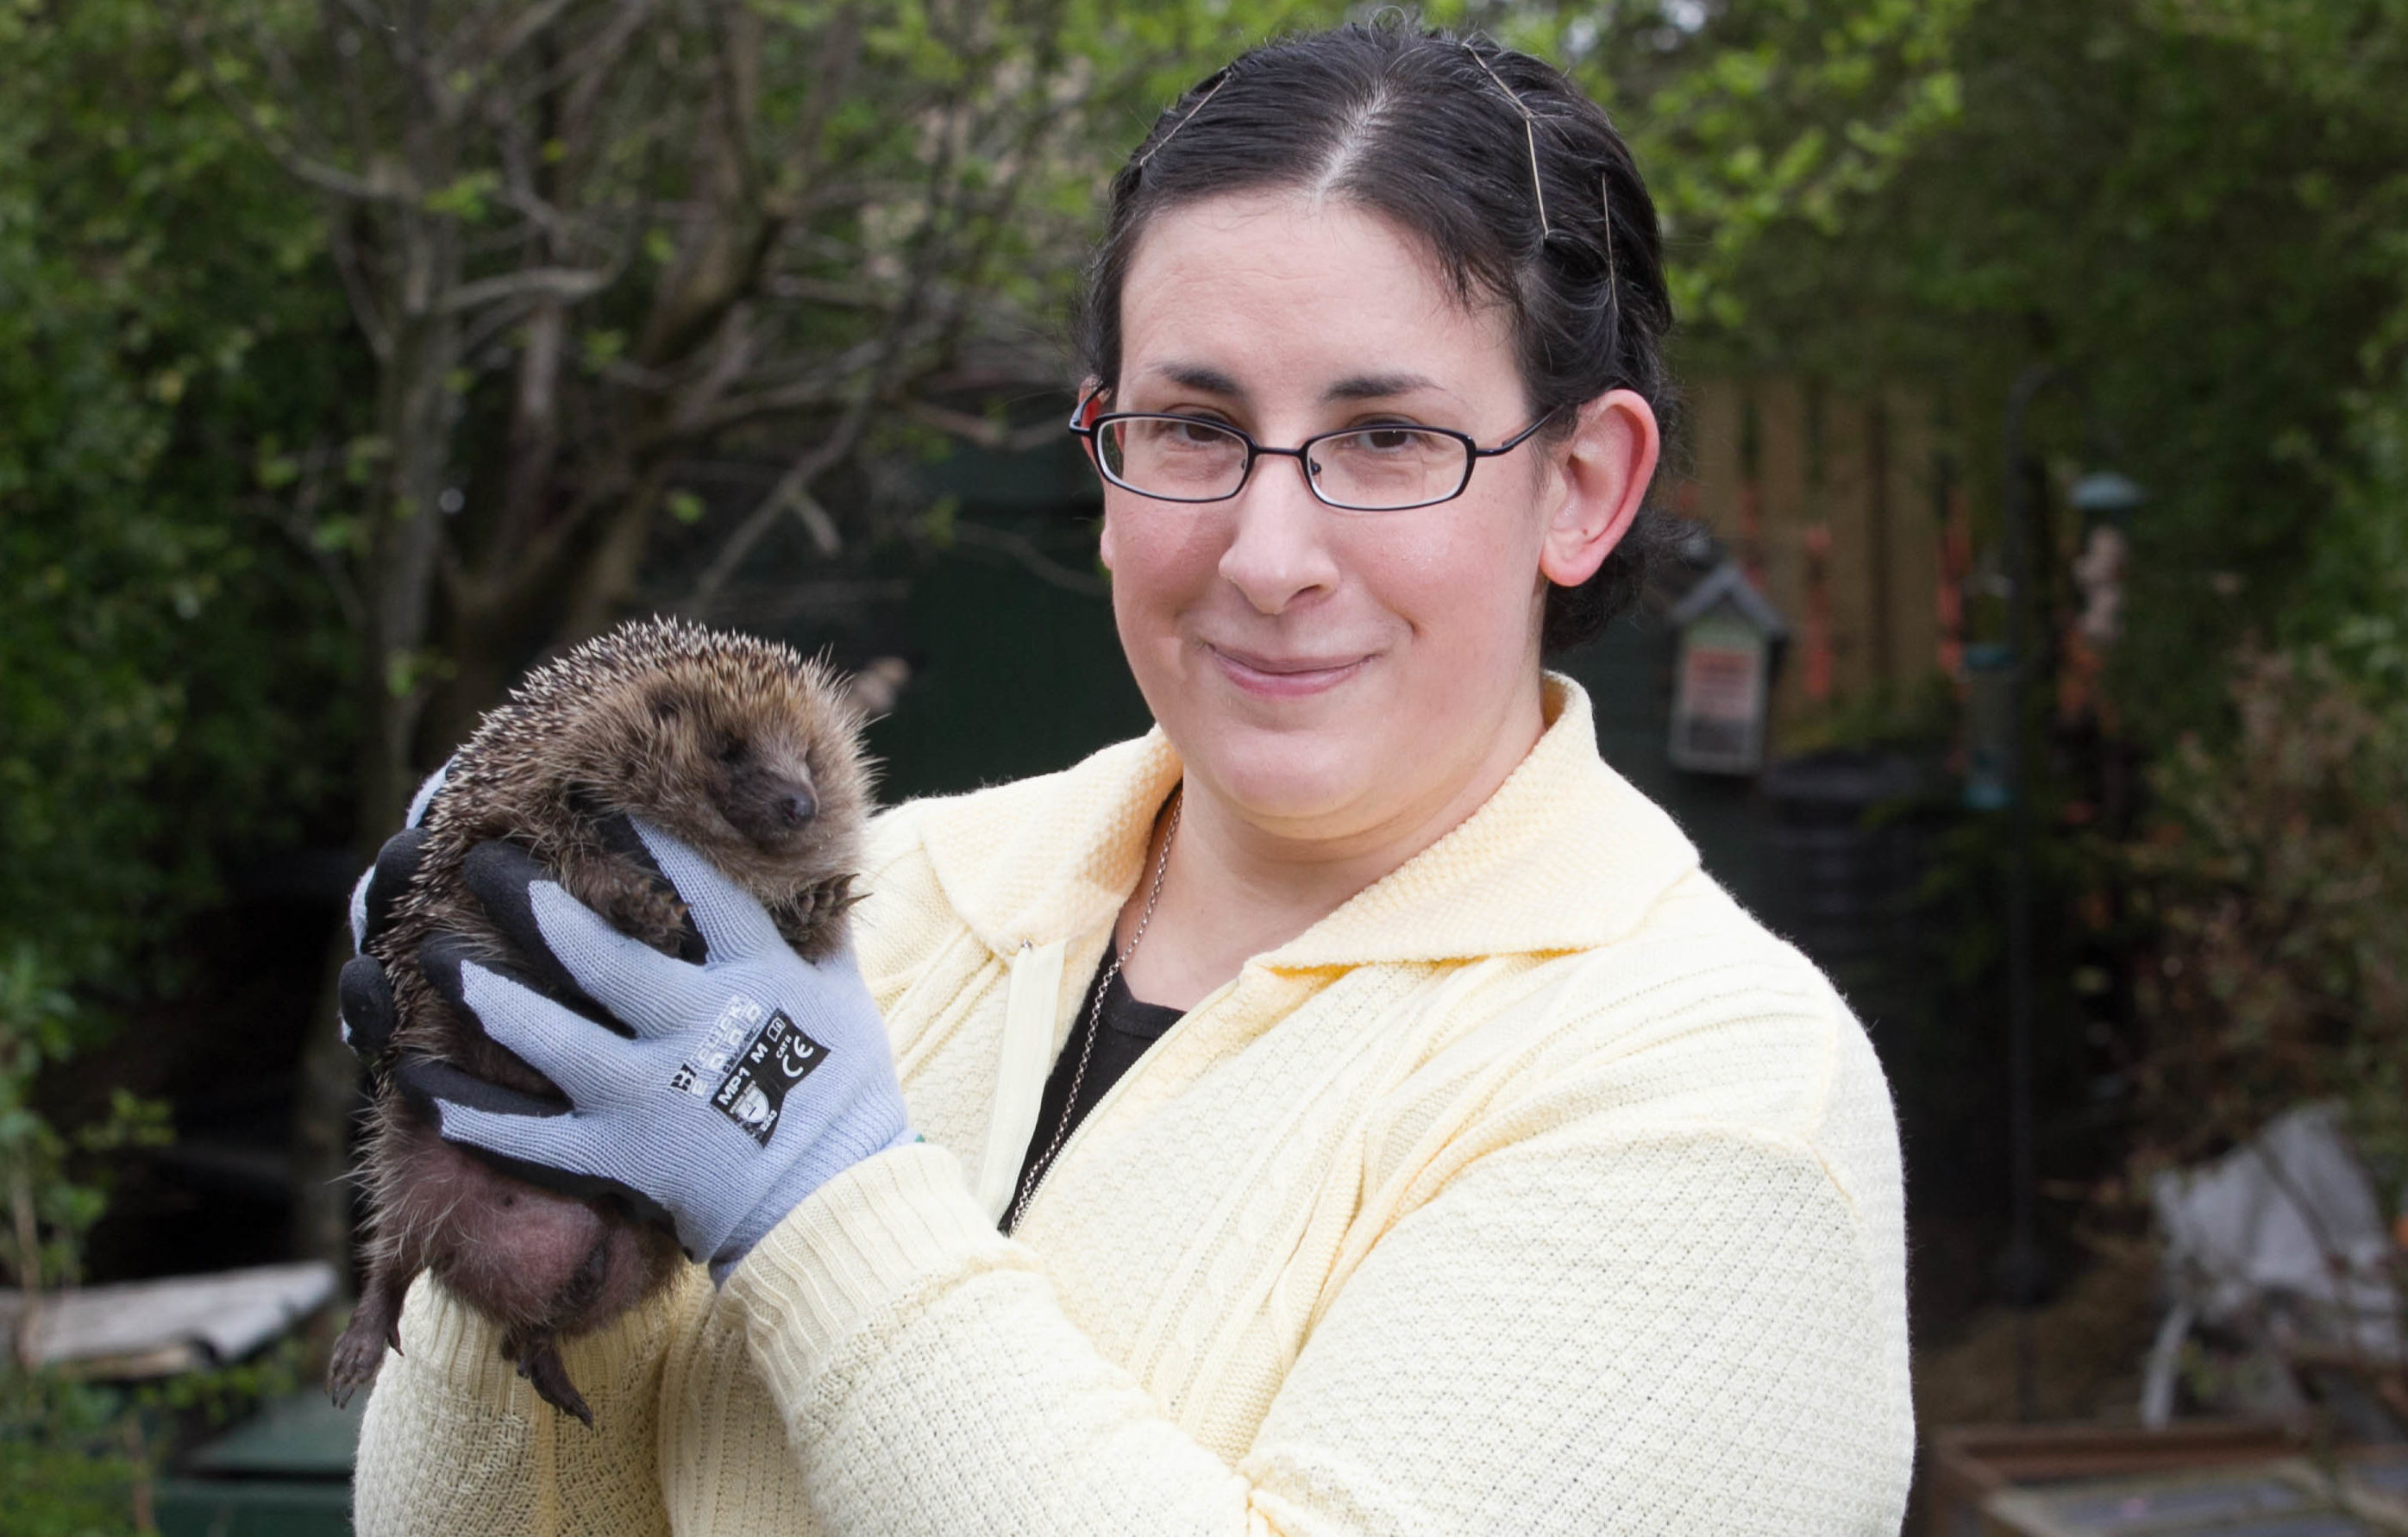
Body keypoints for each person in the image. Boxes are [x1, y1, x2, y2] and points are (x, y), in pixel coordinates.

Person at [346, 20, 1913, 1534]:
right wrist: (511, 1181)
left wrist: (822, 1204)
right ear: (1101, 458)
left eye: (1385, 440)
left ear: (1581, 487)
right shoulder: (879, 910)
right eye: (1193, 425)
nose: (1271, 553)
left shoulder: (1717, 1093)